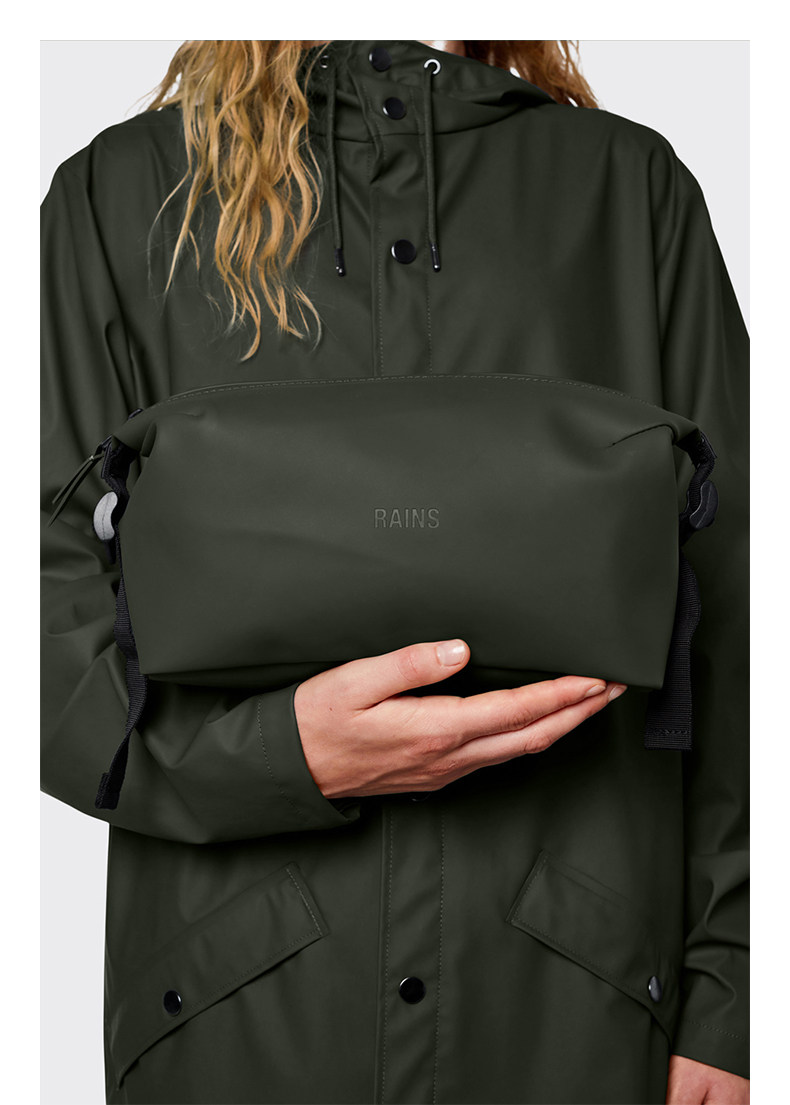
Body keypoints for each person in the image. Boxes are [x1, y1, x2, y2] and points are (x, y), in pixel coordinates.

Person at [40, 39, 749, 1105]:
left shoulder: (629, 189)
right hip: (232, 1006)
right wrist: (281, 756)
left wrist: (733, 994)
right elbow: (40, 618)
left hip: (578, 1002)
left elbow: (739, 606)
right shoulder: (122, 194)